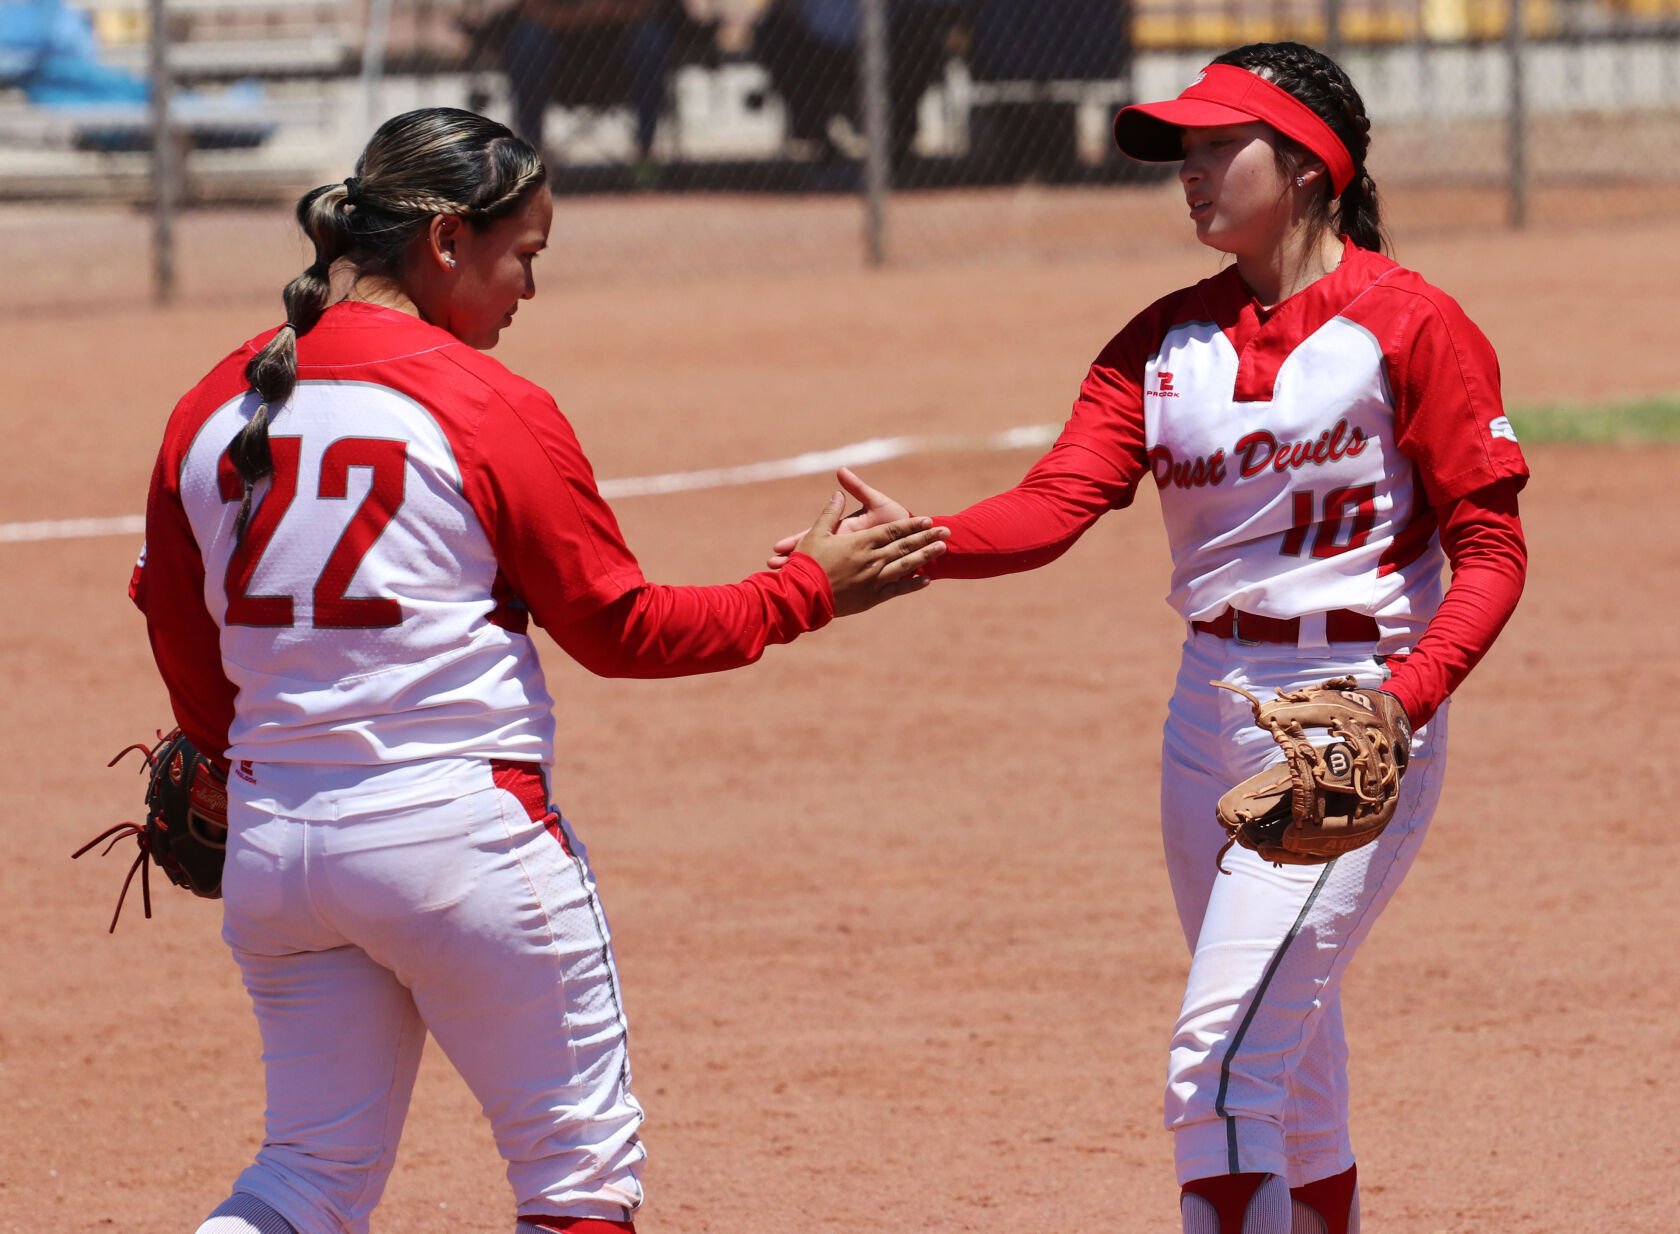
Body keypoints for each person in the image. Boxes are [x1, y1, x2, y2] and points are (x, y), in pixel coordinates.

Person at [131, 106, 948, 1234]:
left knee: (303, 1177)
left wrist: (231, 766)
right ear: (449, 241)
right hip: (461, 842)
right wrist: (807, 587)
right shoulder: (481, 400)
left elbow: (186, 651)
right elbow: (622, 628)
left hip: (280, 855)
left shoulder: (205, 406)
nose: (530, 288)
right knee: (578, 1182)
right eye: (525, 255)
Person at [769, 41, 1529, 1234]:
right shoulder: (1163, 343)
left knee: (1217, 1071)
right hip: (1208, 712)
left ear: (1311, 166)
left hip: (1357, 711)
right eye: (1185, 148)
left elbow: (1493, 548)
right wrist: (920, 544)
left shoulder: (1410, 324)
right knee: (1295, 1064)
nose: (1192, 169)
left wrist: (1406, 695)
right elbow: (1055, 504)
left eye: (1222, 145)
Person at [499, 0, 677, 173]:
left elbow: (651, 6)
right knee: (527, 40)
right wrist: (590, 12)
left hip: (620, 67)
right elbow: (530, 8)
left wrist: (607, 11)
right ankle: (532, 151)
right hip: (561, 67)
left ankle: (645, 152)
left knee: (650, 39)